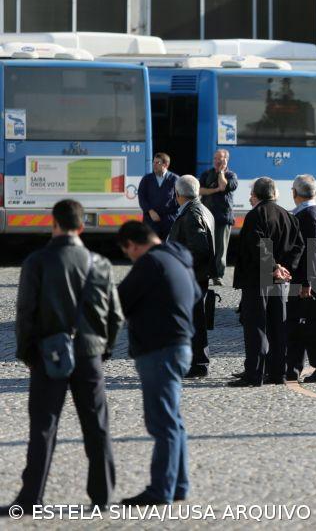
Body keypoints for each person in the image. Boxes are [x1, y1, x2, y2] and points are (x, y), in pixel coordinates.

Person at [5, 200, 122, 515]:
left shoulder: (37, 262)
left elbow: (25, 313)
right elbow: (115, 316)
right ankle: (103, 495)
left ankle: (31, 497)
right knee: (96, 426)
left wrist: (28, 353)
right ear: (82, 227)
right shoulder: (100, 263)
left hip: (48, 353)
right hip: (90, 354)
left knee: (43, 426)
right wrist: (103, 349)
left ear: (53, 224)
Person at [116, 221, 201, 506]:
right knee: (173, 422)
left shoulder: (149, 263)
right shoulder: (178, 257)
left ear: (133, 244)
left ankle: (161, 489)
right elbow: (196, 295)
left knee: (162, 423)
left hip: (159, 349)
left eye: (128, 252)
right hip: (181, 346)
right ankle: (179, 485)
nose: (130, 258)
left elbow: (119, 301)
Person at [230, 177, 304, 387]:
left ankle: (253, 374)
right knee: (277, 326)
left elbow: (257, 245)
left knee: (256, 327)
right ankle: (277, 373)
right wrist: (285, 267)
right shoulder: (288, 216)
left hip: (258, 278)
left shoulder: (256, 215)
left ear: (257, 194)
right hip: (279, 280)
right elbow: (299, 245)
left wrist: (273, 267)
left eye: (251, 193)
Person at [168, 175, 216, 378]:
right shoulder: (200, 209)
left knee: (195, 322)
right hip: (195, 276)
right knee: (194, 321)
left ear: (177, 194)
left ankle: (198, 364)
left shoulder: (192, 213)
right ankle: (195, 362)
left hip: (192, 278)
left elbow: (199, 249)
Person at [286, 175, 316, 383]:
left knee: (315, 323)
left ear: (295, 193)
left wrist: (307, 284)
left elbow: (312, 251)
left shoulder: (309, 215)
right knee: (296, 322)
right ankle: (293, 367)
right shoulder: (308, 213)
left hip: (309, 278)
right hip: (304, 276)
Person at [199, 149, 238, 286]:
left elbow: (224, 186)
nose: (217, 161)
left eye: (220, 159)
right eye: (215, 158)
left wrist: (221, 172)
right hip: (206, 216)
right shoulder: (206, 174)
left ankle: (218, 276)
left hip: (223, 217)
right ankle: (204, 273)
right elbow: (200, 190)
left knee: (221, 249)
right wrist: (214, 190)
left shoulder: (231, 175)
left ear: (226, 160)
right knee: (206, 247)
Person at [138, 152, 179, 240]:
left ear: (166, 165)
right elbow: (141, 197)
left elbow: (180, 199)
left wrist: (173, 217)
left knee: (168, 247)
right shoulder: (147, 179)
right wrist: (150, 211)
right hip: (151, 220)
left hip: (169, 221)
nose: (154, 165)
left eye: (158, 163)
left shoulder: (175, 179)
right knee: (150, 246)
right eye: (154, 162)